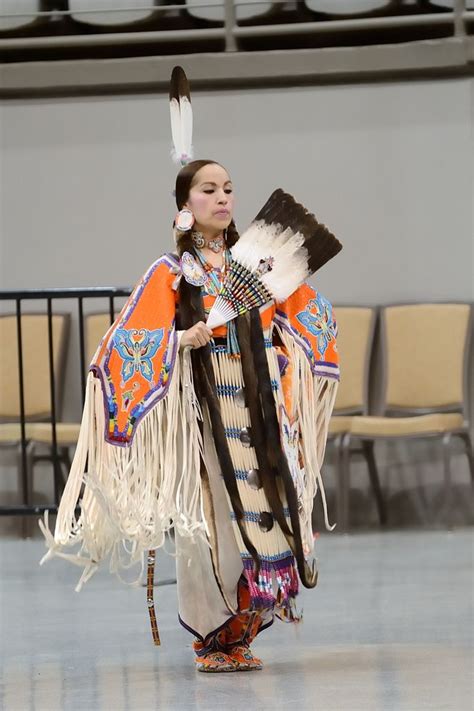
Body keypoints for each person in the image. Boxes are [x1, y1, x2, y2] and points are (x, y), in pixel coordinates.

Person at [40, 156, 340, 673]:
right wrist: (181, 338)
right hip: (206, 415)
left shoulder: (257, 264)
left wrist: (283, 348)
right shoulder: (172, 272)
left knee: (265, 517)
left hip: (262, 413)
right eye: (208, 190)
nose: (222, 198)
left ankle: (245, 629)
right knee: (214, 523)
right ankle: (213, 637)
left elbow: (311, 317)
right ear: (185, 205)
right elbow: (123, 344)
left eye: (228, 189)